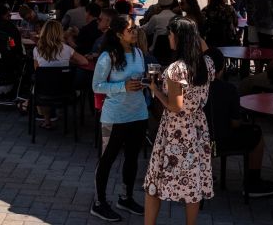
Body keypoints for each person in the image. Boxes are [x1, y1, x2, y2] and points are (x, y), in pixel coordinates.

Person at [144, 17, 215, 225]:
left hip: (176, 129)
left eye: (172, 33)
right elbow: (204, 47)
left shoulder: (177, 69)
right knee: (193, 183)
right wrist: (191, 30)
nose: (169, 37)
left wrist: (156, 90)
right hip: (197, 127)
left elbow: (175, 106)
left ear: (179, 38)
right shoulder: (207, 64)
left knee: (155, 180)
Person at [91, 17, 148, 220]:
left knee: (132, 158)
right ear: (118, 34)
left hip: (138, 113)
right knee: (107, 160)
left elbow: (139, 77)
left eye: (135, 29)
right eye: (130, 29)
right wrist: (121, 87)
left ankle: (126, 197)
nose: (135, 32)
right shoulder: (108, 57)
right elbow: (96, 86)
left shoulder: (139, 52)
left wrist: (148, 82)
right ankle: (99, 202)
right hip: (114, 117)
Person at [203, 49, 273, 197]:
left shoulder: (191, 88)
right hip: (219, 142)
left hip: (199, 140)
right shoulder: (229, 89)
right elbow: (235, 123)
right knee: (256, 133)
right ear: (222, 68)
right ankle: (253, 182)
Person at [33, 20, 88, 128]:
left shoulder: (37, 50)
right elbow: (84, 61)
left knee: (39, 86)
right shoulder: (67, 49)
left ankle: (47, 120)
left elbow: (37, 70)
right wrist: (69, 60)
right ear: (60, 33)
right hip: (65, 91)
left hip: (44, 92)